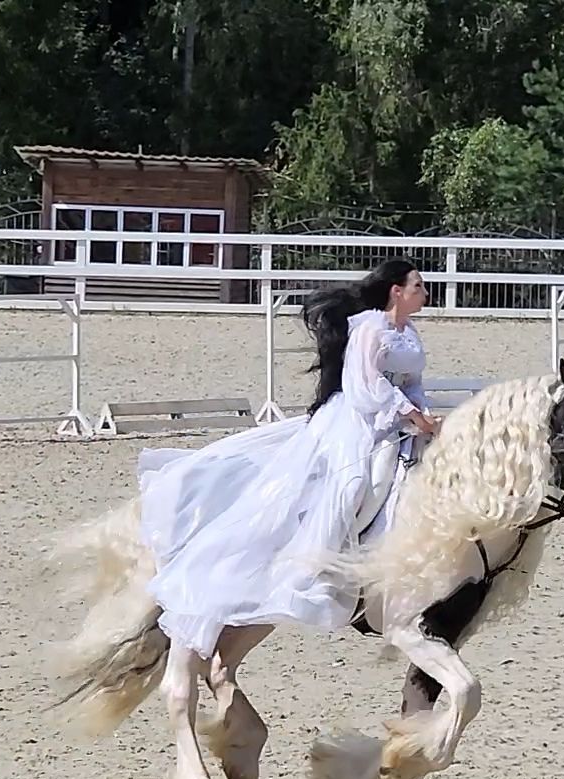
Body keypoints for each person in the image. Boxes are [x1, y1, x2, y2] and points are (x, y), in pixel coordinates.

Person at [133, 258, 441, 659]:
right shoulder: (369, 327)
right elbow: (367, 384)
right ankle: (321, 562)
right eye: (417, 286)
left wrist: (424, 414)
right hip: (360, 421)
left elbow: (413, 382)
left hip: (400, 423)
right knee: (351, 484)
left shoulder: (409, 332)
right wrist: (408, 413)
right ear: (396, 291)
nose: (424, 292)